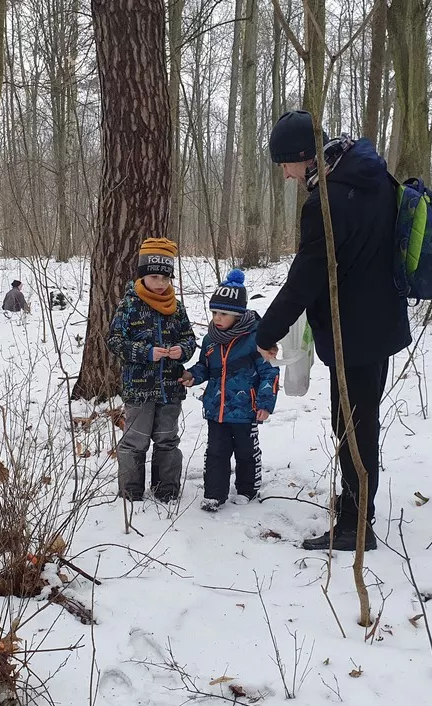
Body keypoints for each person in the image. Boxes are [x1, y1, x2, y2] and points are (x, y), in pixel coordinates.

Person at [255, 110, 412, 551]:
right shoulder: (373, 177)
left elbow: (306, 278)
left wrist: (265, 333)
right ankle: (354, 509)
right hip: (379, 324)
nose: (285, 175)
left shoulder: (326, 201)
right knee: (362, 421)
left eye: (285, 164)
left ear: (305, 158)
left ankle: (356, 527)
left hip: (354, 333)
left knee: (353, 426)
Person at [107, 238, 197, 503]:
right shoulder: (129, 305)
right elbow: (115, 341)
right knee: (135, 442)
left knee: (167, 440)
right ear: (143, 276)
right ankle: (130, 492)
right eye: (155, 277)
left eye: (165, 278)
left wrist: (183, 350)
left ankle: (167, 491)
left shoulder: (176, 308)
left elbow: (190, 339)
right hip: (139, 389)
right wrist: (146, 352)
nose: (160, 283)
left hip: (171, 387)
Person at [181, 270, 279, 513]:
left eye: (223, 313)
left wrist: (265, 403)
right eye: (214, 312)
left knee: (246, 451)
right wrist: (192, 376)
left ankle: (247, 489)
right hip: (217, 409)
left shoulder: (256, 338)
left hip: (246, 409)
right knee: (215, 451)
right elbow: (205, 366)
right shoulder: (211, 340)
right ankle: (214, 494)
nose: (217, 318)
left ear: (238, 314)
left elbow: (269, 373)